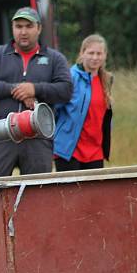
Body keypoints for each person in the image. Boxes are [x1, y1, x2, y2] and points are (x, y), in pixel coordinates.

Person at [0, 7, 72, 178]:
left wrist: (35, 89)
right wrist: (16, 89)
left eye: (28, 26)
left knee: (37, 195)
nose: (23, 31)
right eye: (19, 26)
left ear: (39, 28)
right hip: (0, 133)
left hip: (38, 137)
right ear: (12, 28)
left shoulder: (55, 58)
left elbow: (66, 89)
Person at [53, 34, 114, 171]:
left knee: (96, 192)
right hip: (70, 150)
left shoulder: (107, 80)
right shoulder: (70, 77)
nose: (95, 57)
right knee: (70, 193)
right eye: (91, 53)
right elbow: (54, 109)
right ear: (82, 53)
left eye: (99, 53)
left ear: (105, 55)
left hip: (95, 150)